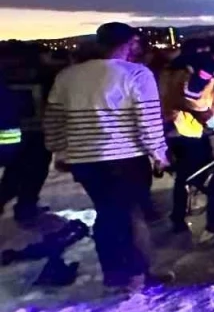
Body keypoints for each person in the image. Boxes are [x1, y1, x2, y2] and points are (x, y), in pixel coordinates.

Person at [43, 23, 169, 290]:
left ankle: (116, 273)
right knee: (128, 215)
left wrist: (60, 151)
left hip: (85, 160)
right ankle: (135, 274)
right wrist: (159, 153)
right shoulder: (136, 73)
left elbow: (54, 120)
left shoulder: (67, 76)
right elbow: (147, 119)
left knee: (108, 212)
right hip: (126, 157)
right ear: (130, 43)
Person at [161, 39, 214, 235]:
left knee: (186, 175)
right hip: (188, 129)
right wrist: (209, 119)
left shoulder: (172, 70)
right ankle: (196, 217)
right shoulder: (193, 71)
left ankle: (180, 215)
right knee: (197, 175)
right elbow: (191, 98)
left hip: (174, 128)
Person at [0, 49, 58, 226]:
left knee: (15, 171)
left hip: (12, 131)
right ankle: (26, 206)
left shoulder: (5, 75)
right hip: (36, 130)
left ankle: (21, 204)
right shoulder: (44, 74)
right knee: (36, 171)